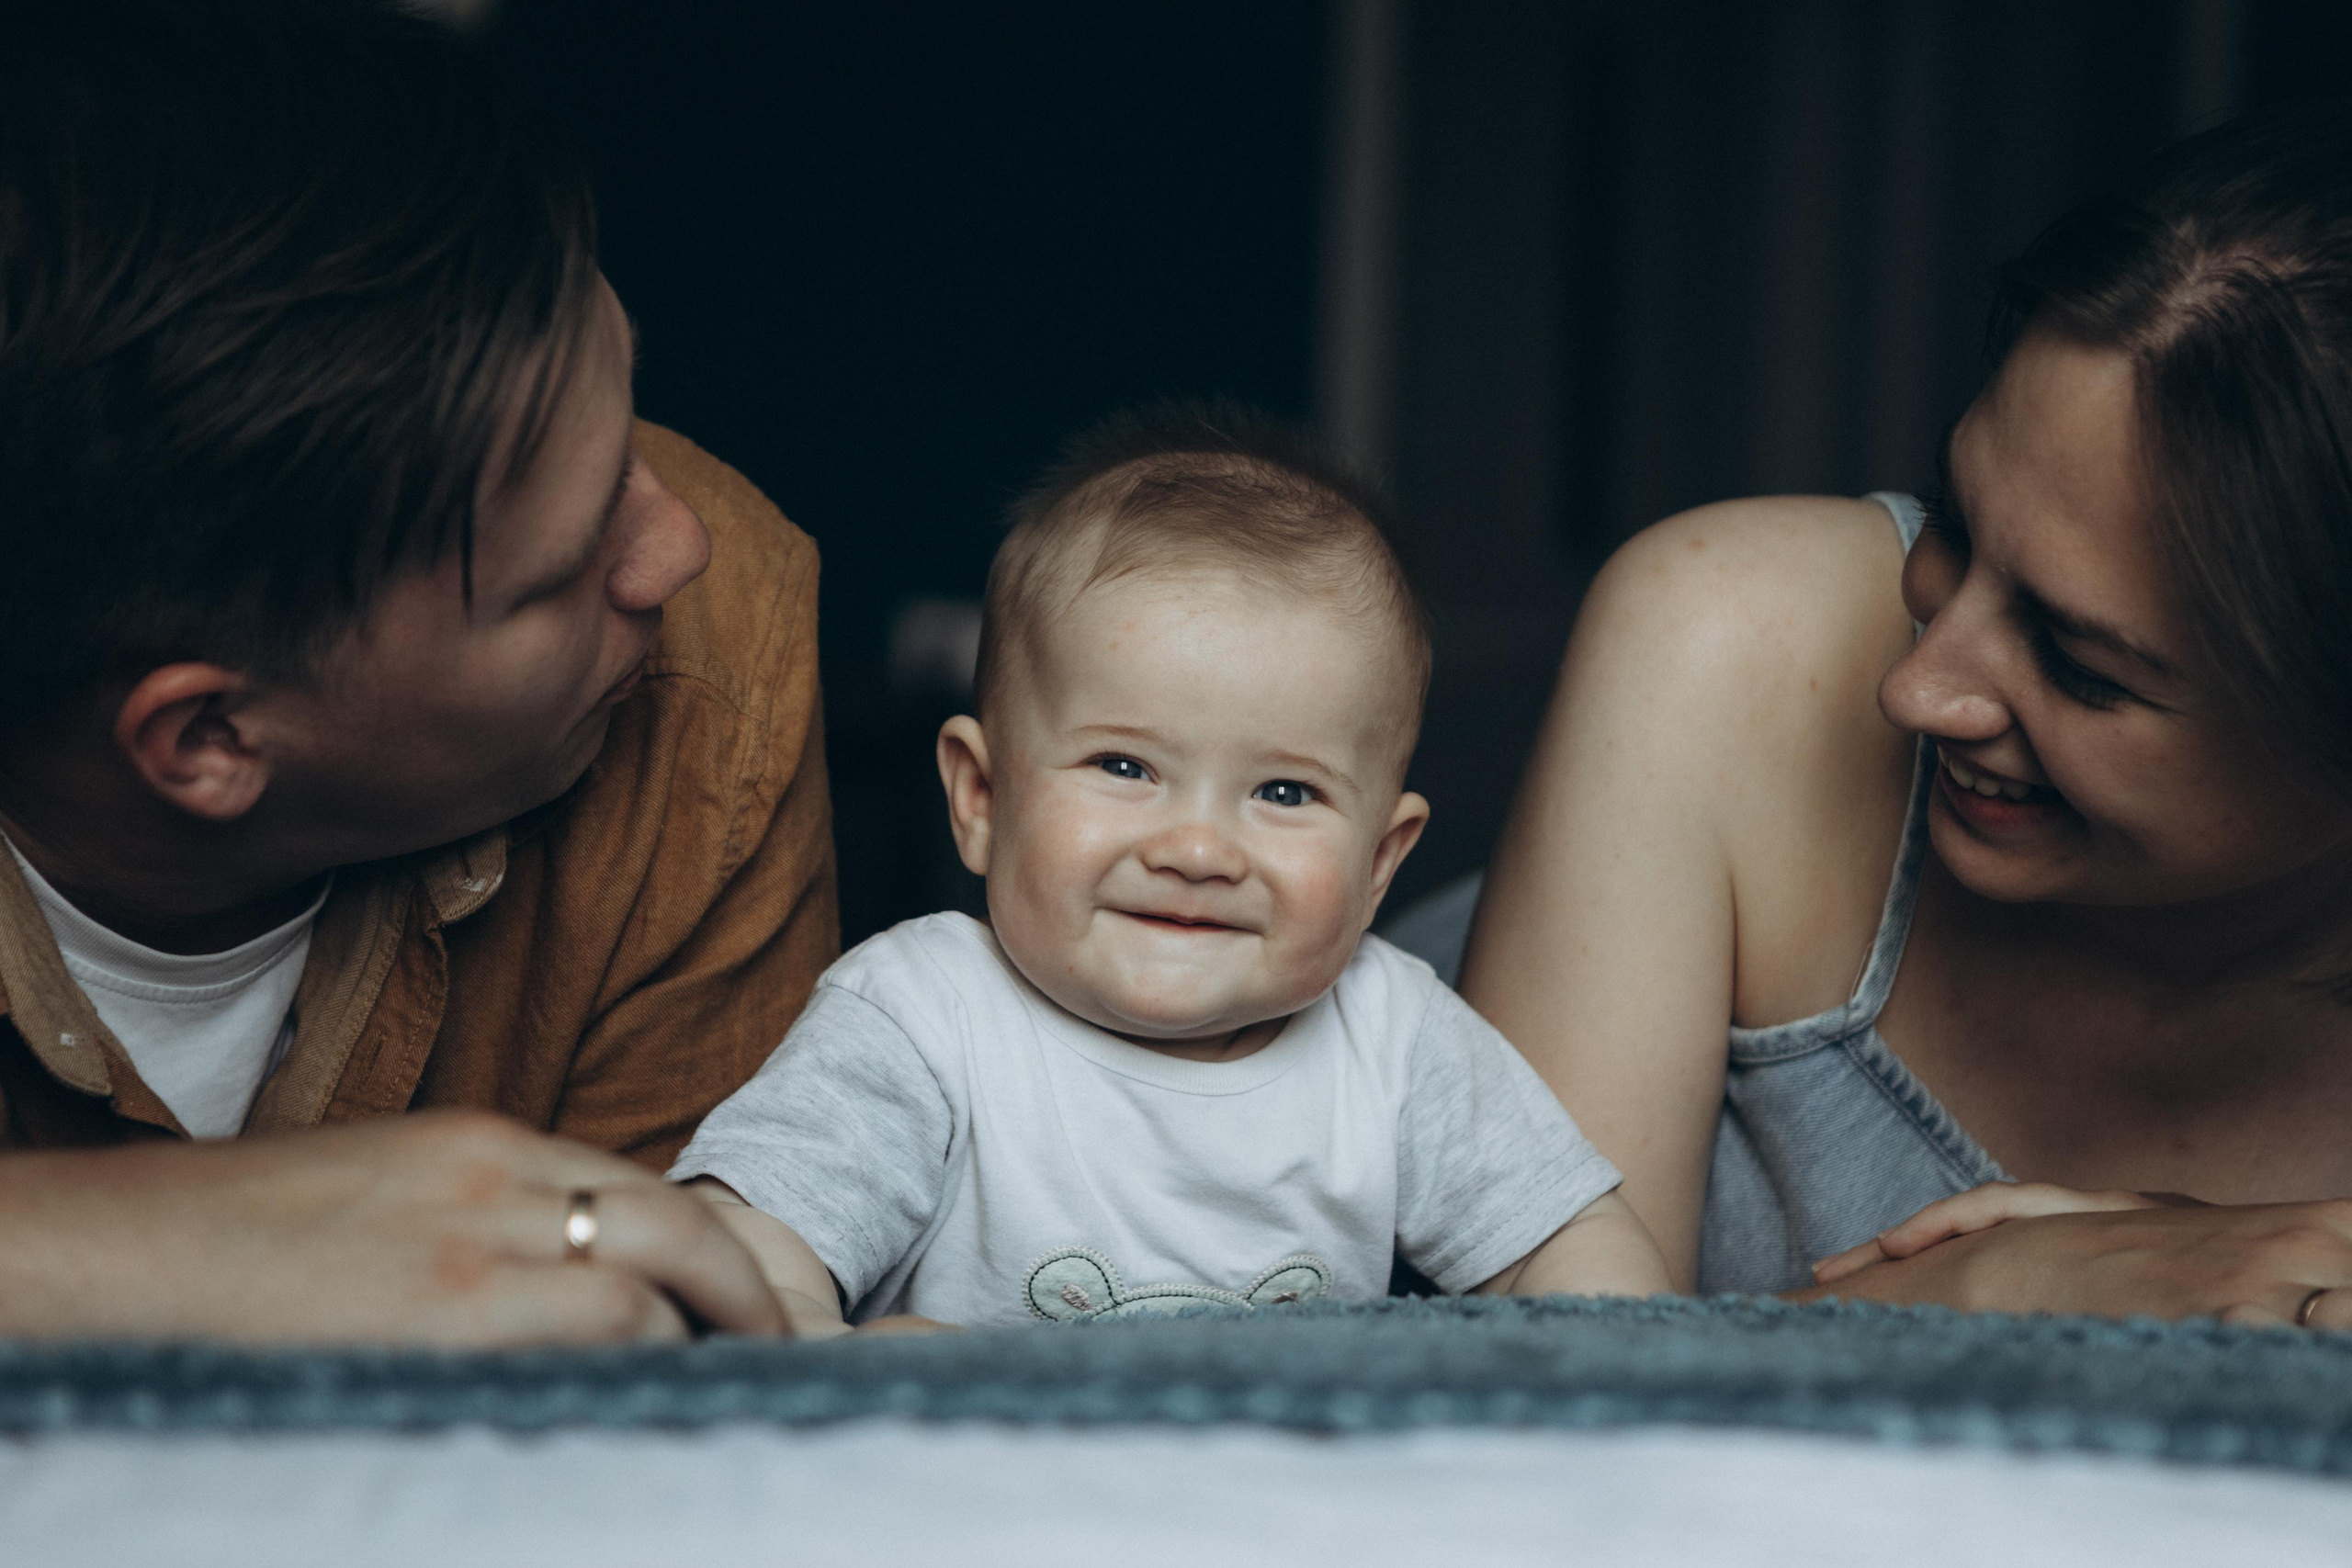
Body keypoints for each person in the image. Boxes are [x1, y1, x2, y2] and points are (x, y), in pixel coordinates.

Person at [0, 1, 836, 1343]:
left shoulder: (711, 648)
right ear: (209, 737)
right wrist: (193, 1246)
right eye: (560, 572)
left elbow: (691, 1401)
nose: (672, 546)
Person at [1459, 106, 2352, 1331]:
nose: (1915, 686)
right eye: (1953, 521)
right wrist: (1991, 1281)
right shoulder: (1729, 636)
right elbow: (1507, 1403)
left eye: (2082, 662)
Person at [673, 408, 1668, 1331]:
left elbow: (1572, 1250)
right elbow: (746, 1246)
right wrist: (815, 1352)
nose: (1195, 852)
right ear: (980, 799)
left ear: (1377, 865)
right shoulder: (923, 1015)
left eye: (1283, 793)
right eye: (1123, 767)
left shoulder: (1396, 1041)